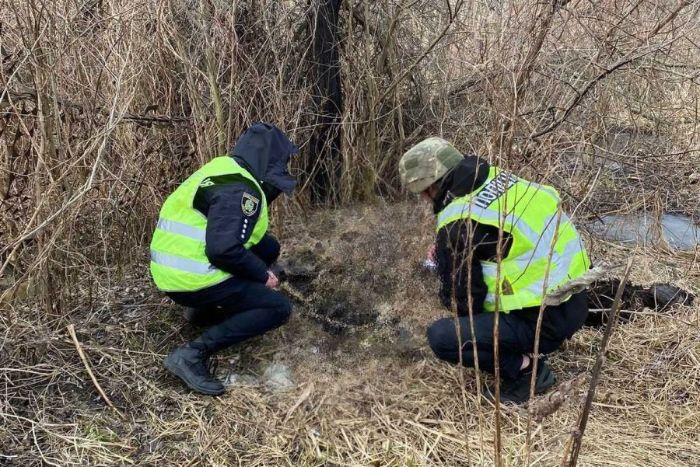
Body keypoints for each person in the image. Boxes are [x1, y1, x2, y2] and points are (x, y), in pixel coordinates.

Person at [399, 137, 591, 404]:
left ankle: (527, 371)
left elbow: (463, 300)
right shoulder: (497, 178)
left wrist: (444, 265)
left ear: (429, 186)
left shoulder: (456, 223)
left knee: (442, 337)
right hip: (578, 298)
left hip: (544, 324)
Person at [150, 122, 298, 396]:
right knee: (277, 308)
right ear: (267, 160)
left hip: (171, 271)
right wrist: (263, 277)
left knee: (268, 247)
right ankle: (192, 354)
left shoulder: (222, 170)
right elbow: (223, 250)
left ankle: (203, 309)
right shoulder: (243, 191)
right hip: (192, 278)